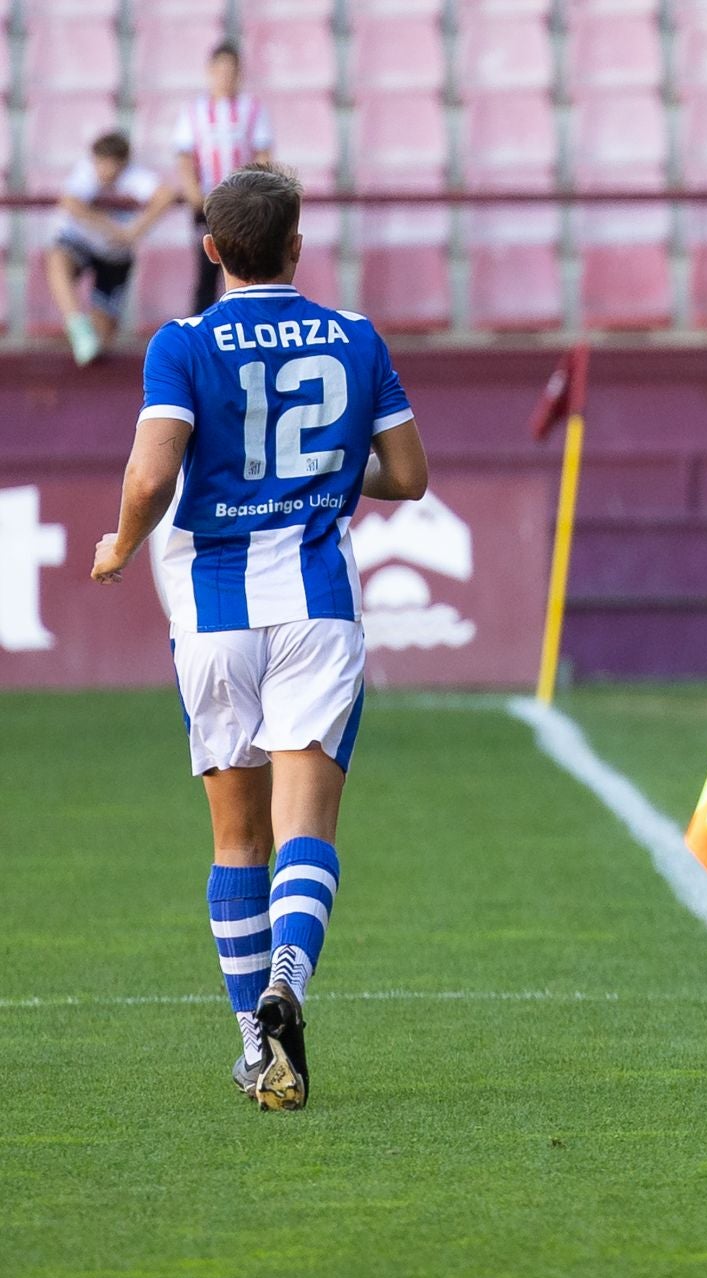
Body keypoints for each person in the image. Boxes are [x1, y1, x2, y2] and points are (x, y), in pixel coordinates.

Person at [89, 164, 429, 1111]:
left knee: (237, 837)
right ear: (298, 244)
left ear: (210, 250)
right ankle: (291, 980)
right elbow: (407, 475)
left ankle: (255, 1045)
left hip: (215, 614)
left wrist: (120, 543)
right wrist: (316, 474)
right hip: (318, 604)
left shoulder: (183, 340)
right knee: (305, 829)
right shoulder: (356, 338)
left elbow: (155, 476)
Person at [47, 131, 175, 366]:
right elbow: (70, 201)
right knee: (57, 261)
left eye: (109, 164)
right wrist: (111, 228)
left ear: (122, 163)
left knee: (101, 341)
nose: (103, 170)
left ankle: (90, 336)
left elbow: (165, 196)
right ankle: (76, 323)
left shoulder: (135, 177)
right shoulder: (86, 171)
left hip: (115, 256)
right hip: (82, 242)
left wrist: (136, 230)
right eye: (99, 163)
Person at [173, 41, 273, 314]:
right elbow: (184, 155)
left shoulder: (251, 108)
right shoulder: (194, 111)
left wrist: (257, 195)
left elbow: (263, 152)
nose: (226, 77)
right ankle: (201, 333)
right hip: (209, 201)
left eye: (232, 71)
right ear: (210, 71)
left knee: (247, 268)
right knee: (208, 269)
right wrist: (194, 193)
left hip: (241, 203)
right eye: (221, 70)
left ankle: (250, 326)